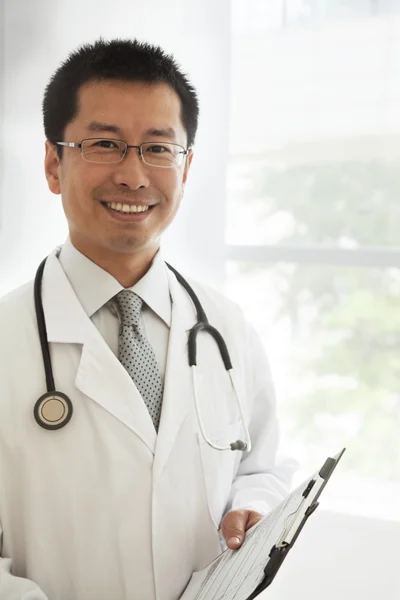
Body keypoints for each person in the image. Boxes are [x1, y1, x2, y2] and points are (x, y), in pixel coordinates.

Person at [0, 38, 295, 600]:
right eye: (105, 144)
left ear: (186, 166)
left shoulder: (228, 328)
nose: (134, 177)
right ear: (52, 163)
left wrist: (253, 508)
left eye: (158, 149)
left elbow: (263, 468)